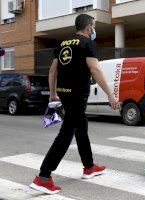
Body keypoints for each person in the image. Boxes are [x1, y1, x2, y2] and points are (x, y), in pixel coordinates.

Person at [30, 14, 119, 194]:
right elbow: (95, 69)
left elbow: (53, 70)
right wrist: (111, 95)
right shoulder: (88, 44)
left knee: (81, 127)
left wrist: (53, 93)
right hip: (78, 95)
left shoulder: (63, 44)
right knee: (66, 133)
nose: (94, 30)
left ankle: (89, 167)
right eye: (93, 27)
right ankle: (43, 177)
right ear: (89, 28)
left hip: (64, 93)